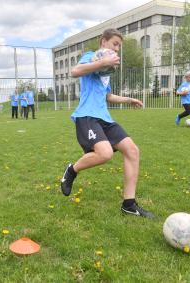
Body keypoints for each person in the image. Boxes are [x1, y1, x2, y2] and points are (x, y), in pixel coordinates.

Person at [60, 28, 154, 218]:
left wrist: (129, 99)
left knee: (132, 150)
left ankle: (129, 204)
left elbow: (108, 95)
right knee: (105, 154)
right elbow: (75, 71)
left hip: (105, 118)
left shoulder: (106, 71)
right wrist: (103, 61)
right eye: (115, 44)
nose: (117, 49)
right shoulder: (91, 57)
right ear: (103, 42)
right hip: (87, 116)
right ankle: (72, 170)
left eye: (119, 46)